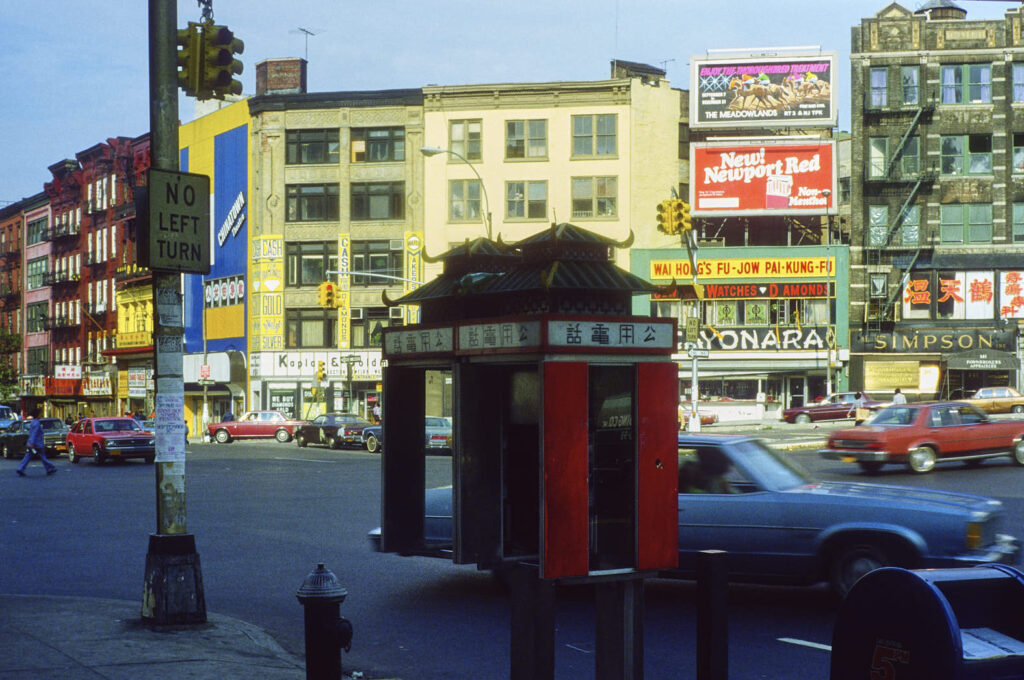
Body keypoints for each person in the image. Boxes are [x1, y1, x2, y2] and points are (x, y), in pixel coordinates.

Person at [16, 410, 57, 477]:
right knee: (43, 456)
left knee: (28, 456)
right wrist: (32, 442)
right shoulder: (37, 423)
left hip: (32, 443)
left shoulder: (33, 422)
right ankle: (50, 468)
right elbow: (34, 433)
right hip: (37, 443)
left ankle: (21, 468)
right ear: (37, 415)